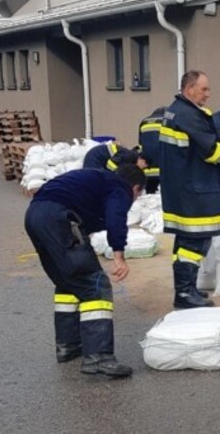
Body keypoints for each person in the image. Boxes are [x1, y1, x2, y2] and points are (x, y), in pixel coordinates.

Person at [24, 164, 146, 378]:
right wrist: (119, 256)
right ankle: (99, 357)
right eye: (137, 194)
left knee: (68, 282)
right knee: (95, 284)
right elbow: (116, 218)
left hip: (35, 216)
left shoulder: (99, 180)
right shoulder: (120, 188)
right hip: (58, 219)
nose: (133, 199)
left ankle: (68, 346)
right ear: (136, 188)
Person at [159, 70, 220, 309]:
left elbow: (200, 136)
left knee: (185, 243)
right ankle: (185, 294)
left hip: (180, 188)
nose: (208, 94)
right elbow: (211, 152)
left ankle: (186, 289)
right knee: (195, 243)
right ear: (190, 89)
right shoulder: (189, 114)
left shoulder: (177, 110)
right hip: (194, 189)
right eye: (204, 89)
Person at [138, 107, 166, 194]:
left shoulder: (144, 122)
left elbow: (140, 143)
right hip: (163, 161)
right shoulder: (166, 121)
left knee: (150, 190)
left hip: (147, 164)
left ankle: (150, 192)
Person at [82, 142, 147, 173]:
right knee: (94, 179)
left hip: (96, 157)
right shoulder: (130, 155)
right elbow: (111, 164)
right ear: (141, 159)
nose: (143, 168)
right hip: (96, 157)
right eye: (145, 165)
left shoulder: (131, 158)